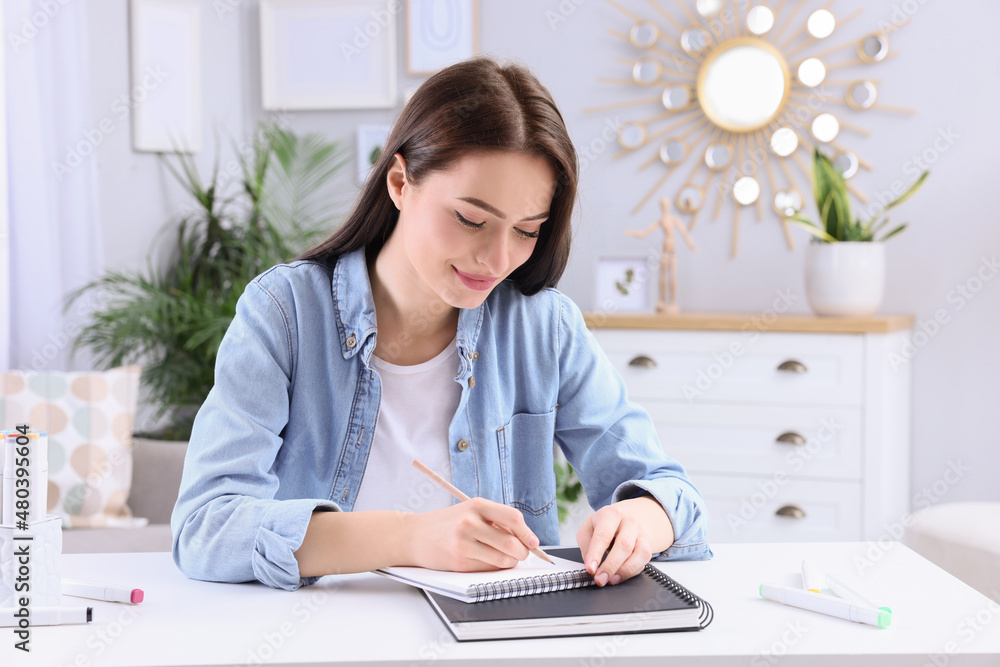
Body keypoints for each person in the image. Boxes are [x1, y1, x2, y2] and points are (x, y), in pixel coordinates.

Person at [170, 57, 712, 593]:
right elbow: (206, 527)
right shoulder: (285, 313)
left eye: (526, 231)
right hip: (315, 637)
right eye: (471, 219)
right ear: (401, 181)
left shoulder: (544, 328)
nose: (497, 259)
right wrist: (409, 536)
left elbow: (674, 496)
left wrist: (642, 521)